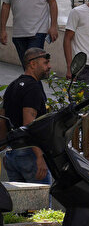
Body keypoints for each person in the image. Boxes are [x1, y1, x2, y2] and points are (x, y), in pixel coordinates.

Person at [0, 48, 52, 184]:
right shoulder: (33, 87)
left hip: (12, 155)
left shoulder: (12, 86)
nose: (49, 66)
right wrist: (39, 156)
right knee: (40, 203)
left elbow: (2, 119)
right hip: (30, 154)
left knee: (20, 203)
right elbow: (29, 123)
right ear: (33, 64)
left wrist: (5, 150)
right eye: (45, 63)